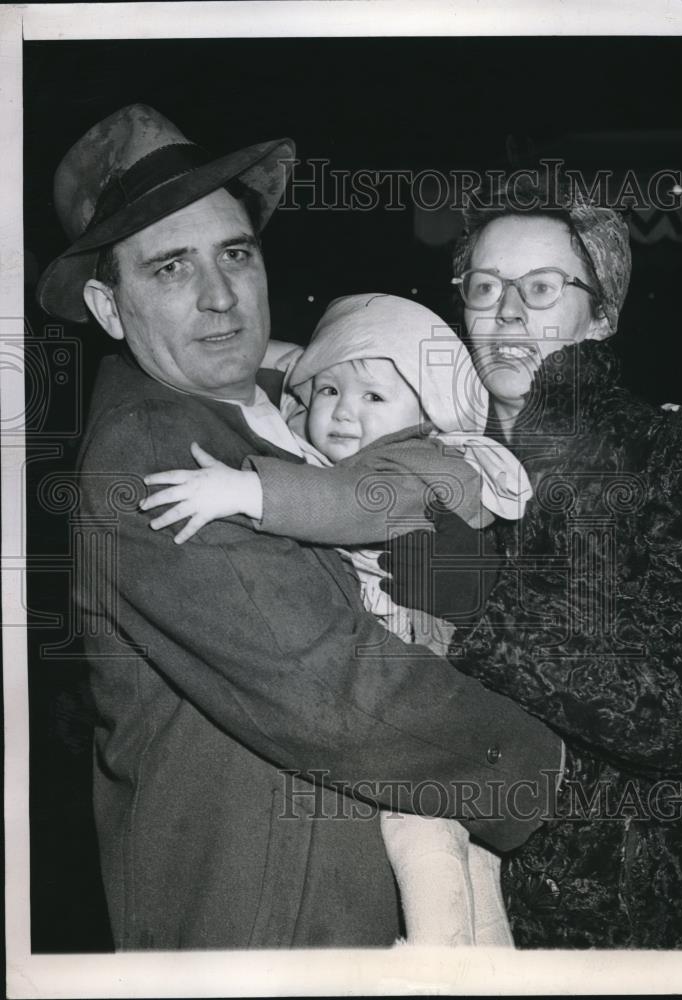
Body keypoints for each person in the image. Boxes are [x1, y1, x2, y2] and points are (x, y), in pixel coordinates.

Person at [35, 105, 564, 949]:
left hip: (347, 900)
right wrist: (552, 773)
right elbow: (330, 690)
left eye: (235, 253)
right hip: (269, 922)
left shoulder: (279, 409)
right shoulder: (153, 452)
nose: (219, 295)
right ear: (107, 306)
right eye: (170, 268)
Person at [383, 173, 682, 948]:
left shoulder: (680, 452)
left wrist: (489, 608)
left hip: (631, 927)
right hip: (458, 910)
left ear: (600, 316)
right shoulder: (435, 467)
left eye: (540, 288)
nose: (505, 314)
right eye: (484, 287)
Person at [139, 291, 533, 946]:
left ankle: (441, 971)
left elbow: (349, 501)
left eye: (374, 396)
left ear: (428, 411)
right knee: (470, 856)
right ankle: (491, 962)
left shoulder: (422, 468)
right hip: (443, 693)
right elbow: (289, 369)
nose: (344, 410)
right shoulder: (385, 442)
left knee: (417, 830)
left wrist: (246, 490)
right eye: (328, 392)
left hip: (427, 691)